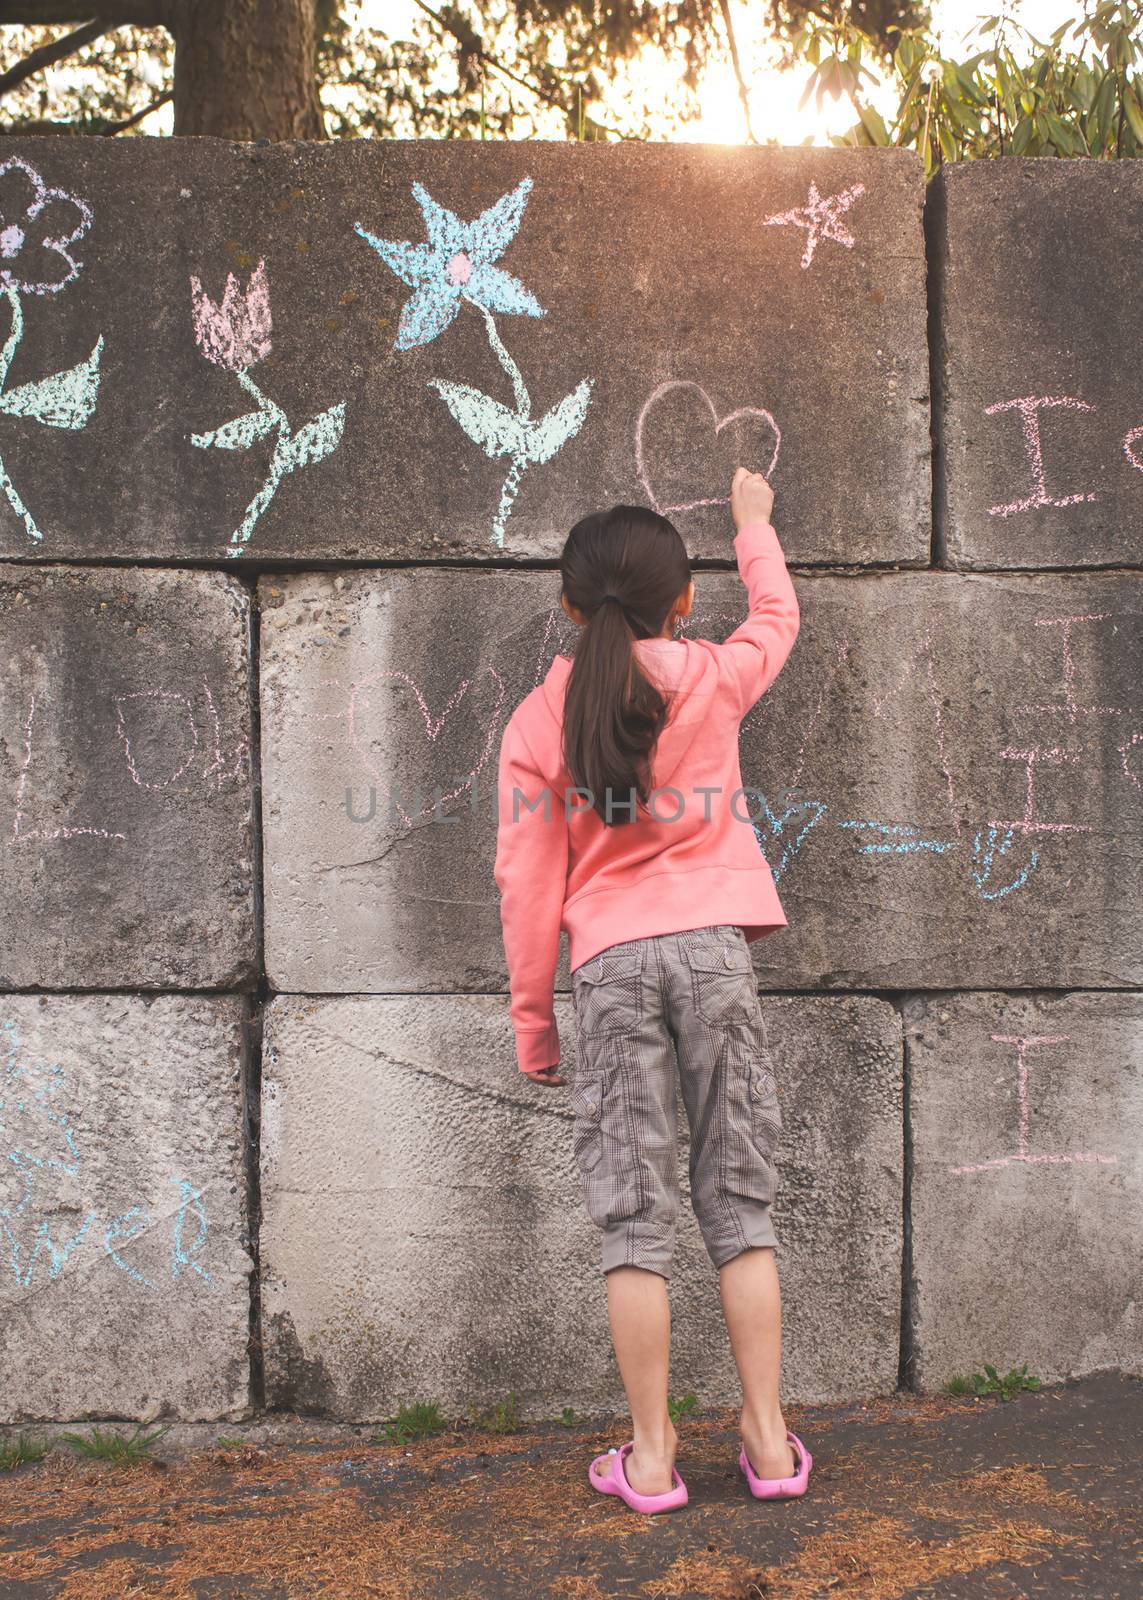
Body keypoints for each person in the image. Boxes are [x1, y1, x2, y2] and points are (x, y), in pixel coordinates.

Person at [492, 467, 811, 1513]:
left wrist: (535, 1022)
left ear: (570, 611)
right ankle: (767, 1444)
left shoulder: (541, 721)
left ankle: (652, 1456)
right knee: (740, 1201)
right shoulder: (712, 674)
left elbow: (527, 882)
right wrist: (753, 527)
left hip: (610, 968)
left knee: (634, 1219)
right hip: (715, 953)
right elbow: (777, 617)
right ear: (680, 603)